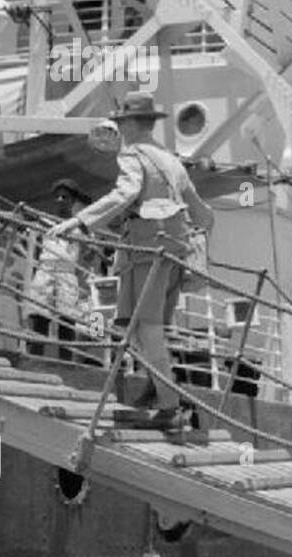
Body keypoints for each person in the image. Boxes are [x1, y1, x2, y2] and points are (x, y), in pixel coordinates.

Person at [48, 92, 213, 426]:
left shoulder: (132, 154)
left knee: (145, 328)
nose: (120, 129)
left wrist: (79, 221)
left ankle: (171, 407)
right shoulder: (170, 160)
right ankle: (157, 388)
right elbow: (204, 215)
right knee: (146, 329)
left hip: (144, 252)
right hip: (172, 252)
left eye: (122, 123)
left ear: (132, 124)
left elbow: (125, 193)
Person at [25, 179, 96, 363]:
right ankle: (34, 359)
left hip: (67, 272)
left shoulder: (81, 227)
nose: (60, 200)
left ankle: (65, 363)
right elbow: (32, 246)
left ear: (72, 201)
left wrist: (88, 242)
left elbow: (89, 256)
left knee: (67, 321)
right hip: (45, 269)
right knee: (39, 317)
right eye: (57, 196)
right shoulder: (45, 220)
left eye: (65, 197)